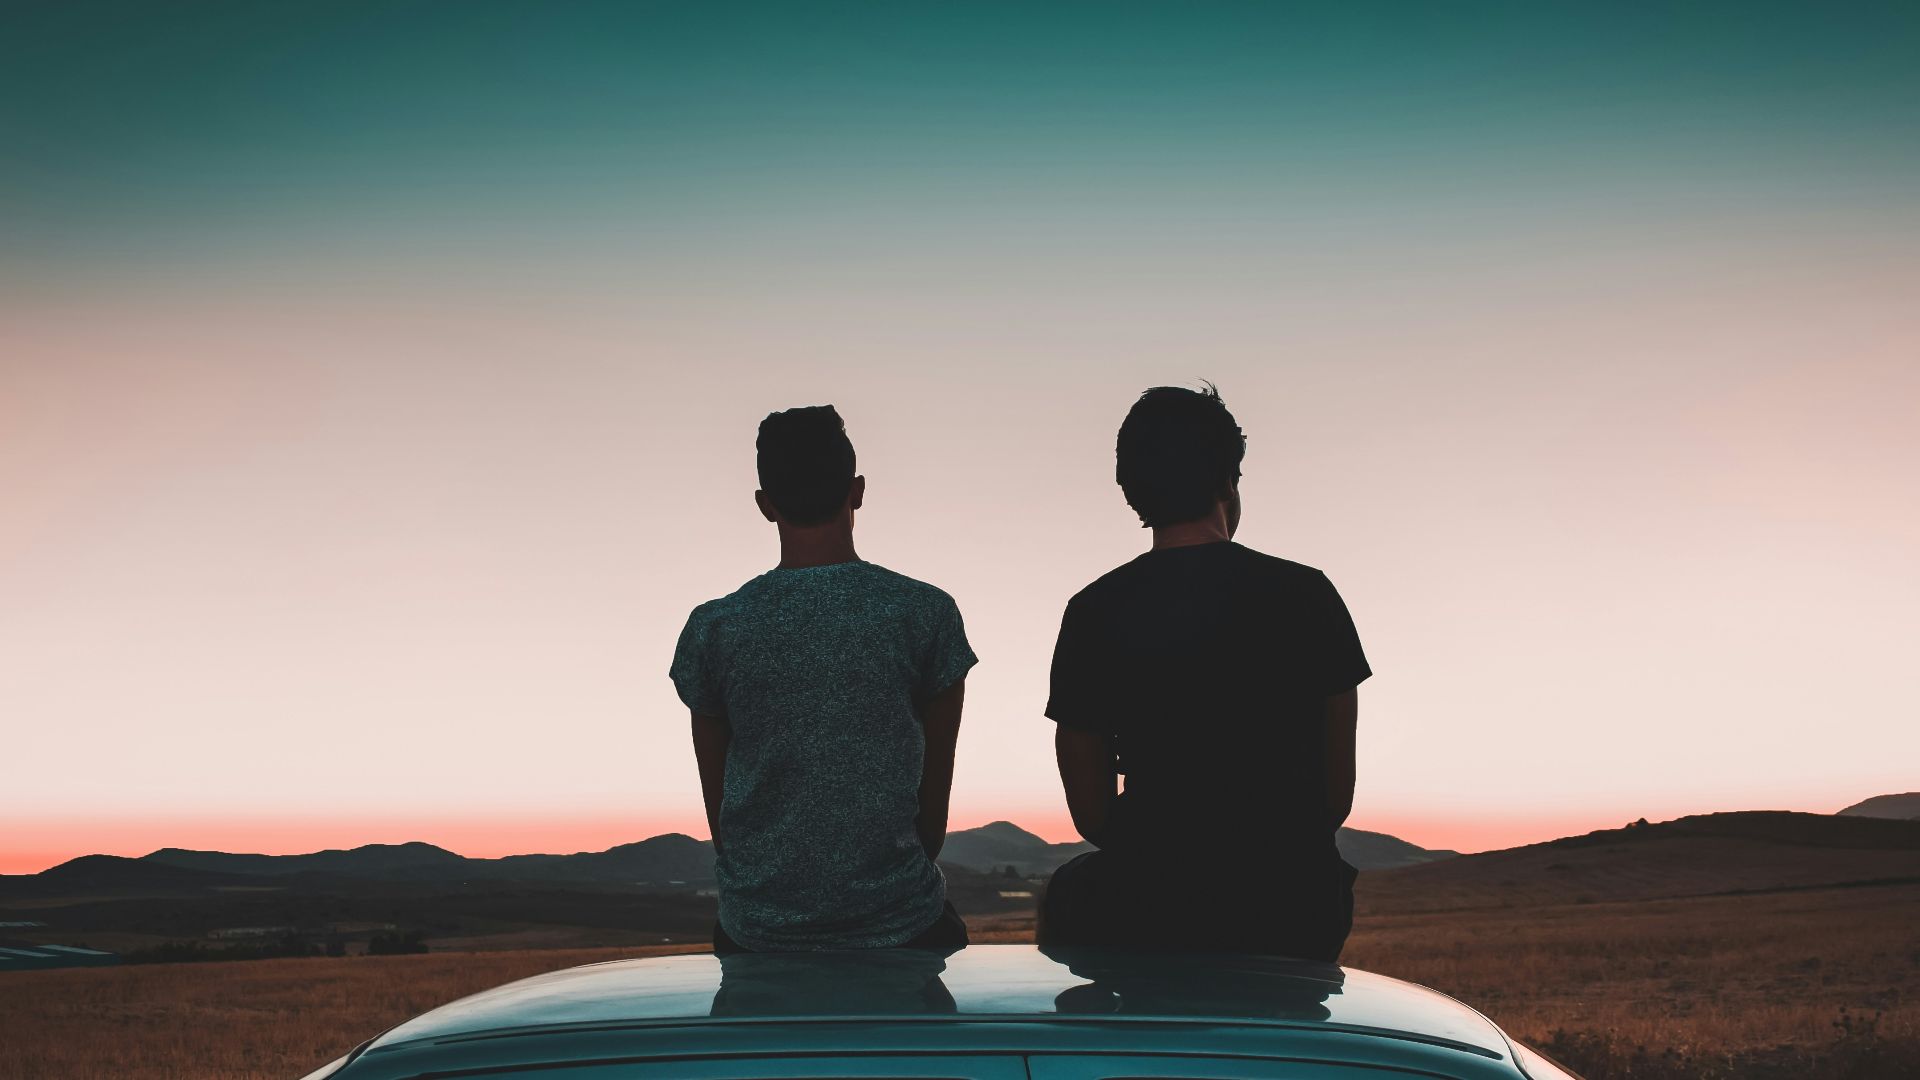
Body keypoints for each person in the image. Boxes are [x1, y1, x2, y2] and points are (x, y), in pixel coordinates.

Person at [1038, 384, 1370, 960]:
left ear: (1131, 492)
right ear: (1227, 481)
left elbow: (1091, 812)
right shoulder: (1308, 594)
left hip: (1151, 902)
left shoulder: (1092, 610)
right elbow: (1334, 797)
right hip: (1294, 905)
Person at [670, 404, 975, 953]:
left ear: (766, 506)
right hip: (901, 922)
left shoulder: (714, 627)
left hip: (758, 929)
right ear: (857, 491)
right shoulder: (925, 613)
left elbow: (721, 808)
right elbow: (933, 802)